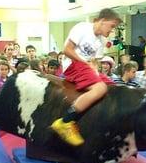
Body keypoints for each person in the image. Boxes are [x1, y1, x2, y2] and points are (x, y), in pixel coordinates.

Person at [51, 8, 120, 146]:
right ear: (102, 21)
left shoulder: (100, 42)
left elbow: (93, 61)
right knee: (100, 88)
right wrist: (85, 63)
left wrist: (94, 71)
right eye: (111, 26)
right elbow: (67, 50)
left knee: (112, 86)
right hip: (72, 64)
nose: (112, 31)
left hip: (85, 66)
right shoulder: (83, 28)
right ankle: (66, 121)